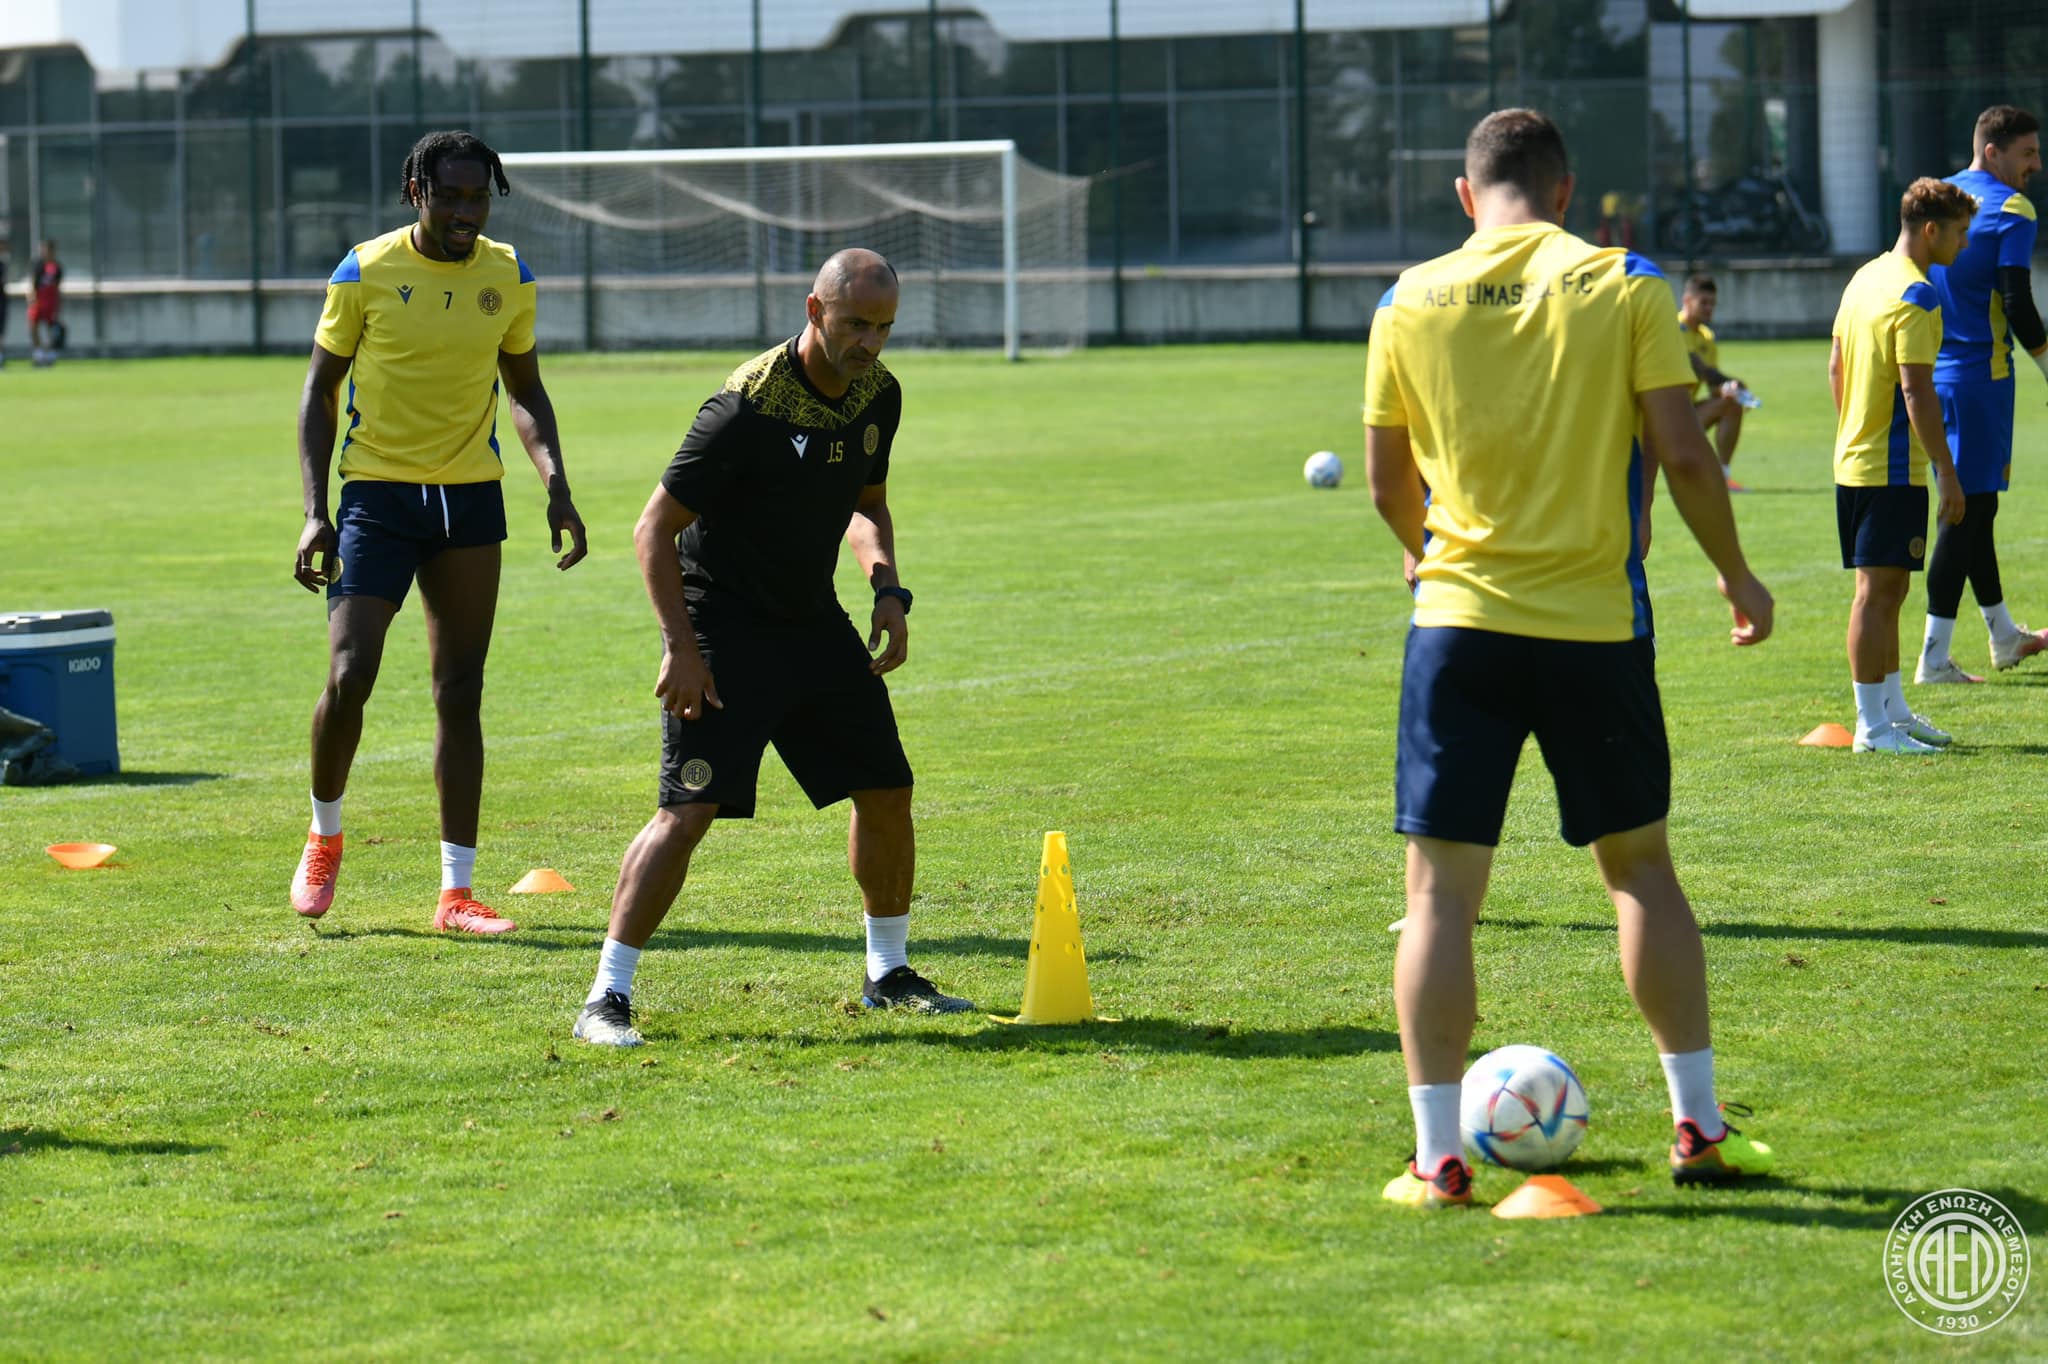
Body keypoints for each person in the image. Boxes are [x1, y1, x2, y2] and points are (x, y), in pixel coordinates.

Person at [1363, 109, 1777, 1209]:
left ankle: (1436, 1159)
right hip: (1595, 625)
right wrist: (1737, 577)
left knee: (1439, 897)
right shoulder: (1624, 283)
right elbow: (1683, 451)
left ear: (1465, 194)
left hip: (1456, 627)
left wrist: (1424, 552)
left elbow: (1387, 482)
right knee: (1639, 870)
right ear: (1563, 191)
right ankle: (1697, 1127)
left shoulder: (1405, 298)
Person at [573, 247, 970, 1048]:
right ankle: (605, 998)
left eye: (885, 328)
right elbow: (653, 530)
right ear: (815, 310)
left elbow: (866, 505)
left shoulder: (879, 395)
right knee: (687, 810)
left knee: (886, 788)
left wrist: (887, 589)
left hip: (811, 620)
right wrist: (681, 648)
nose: (870, 343)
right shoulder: (744, 408)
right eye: (856, 325)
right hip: (722, 625)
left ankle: (888, 975)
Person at [288, 130, 588, 934]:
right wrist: (316, 510)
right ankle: (324, 836)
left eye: (477, 197)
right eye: (449, 195)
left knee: (460, 691)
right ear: (416, 192)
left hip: (469, 501)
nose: (464, 212)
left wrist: (556, 486)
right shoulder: (364, 271)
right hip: (377, 498)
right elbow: (319, 391)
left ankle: (456, 894)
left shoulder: (509, 274)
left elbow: (525, 391)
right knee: (351, 673)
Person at [1831, 178, 1975, 754]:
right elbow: (1916, 391)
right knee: (1875, 594)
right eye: (1960, 233)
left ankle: (1892, 711)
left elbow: (1836, 365)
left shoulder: (1865, 277)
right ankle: (1871, 727)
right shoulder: (1916, 294)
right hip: (1890, 467)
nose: (1965, 244)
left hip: (1857, 459)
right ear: (1931, 230)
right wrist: (1947, 470)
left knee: (1889, 591)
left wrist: (1854, 427)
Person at [1917, 105, 2048, 684]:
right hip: (1981, 380)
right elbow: (2016, 301)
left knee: (1977, 508)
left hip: (1931, 375)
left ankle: (2002, 635)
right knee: (1962, 513)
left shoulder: (1937, 199)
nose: (2036, 166)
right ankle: (1933, 657)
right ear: (1992, 152)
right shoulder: (2012, 209)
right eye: (2027, 154)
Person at [1677, 273, 1751, 490]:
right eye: (1704, 302)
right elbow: (1697, 367)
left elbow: (1711, 385)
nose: (1709, 308)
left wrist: (1729, 390)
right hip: (1661, 415)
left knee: (1732, 405)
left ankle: (1723, 477)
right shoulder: (1672, 328)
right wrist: (1728, 381)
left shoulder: (1706, 337)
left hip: (1687, 413)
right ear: (1687, 300)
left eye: (1712, 303)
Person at [27, 239, 61, 367]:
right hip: (38, 300)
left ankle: (49, 353)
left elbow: (57, 287)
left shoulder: (57, 267)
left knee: (51, 328)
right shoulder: (38, 265)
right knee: (33, 325)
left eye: (46, 249)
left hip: (50, 300)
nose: (43, 252)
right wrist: (31, 297)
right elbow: (33, 282)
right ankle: (38, 353)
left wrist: (58, 304)